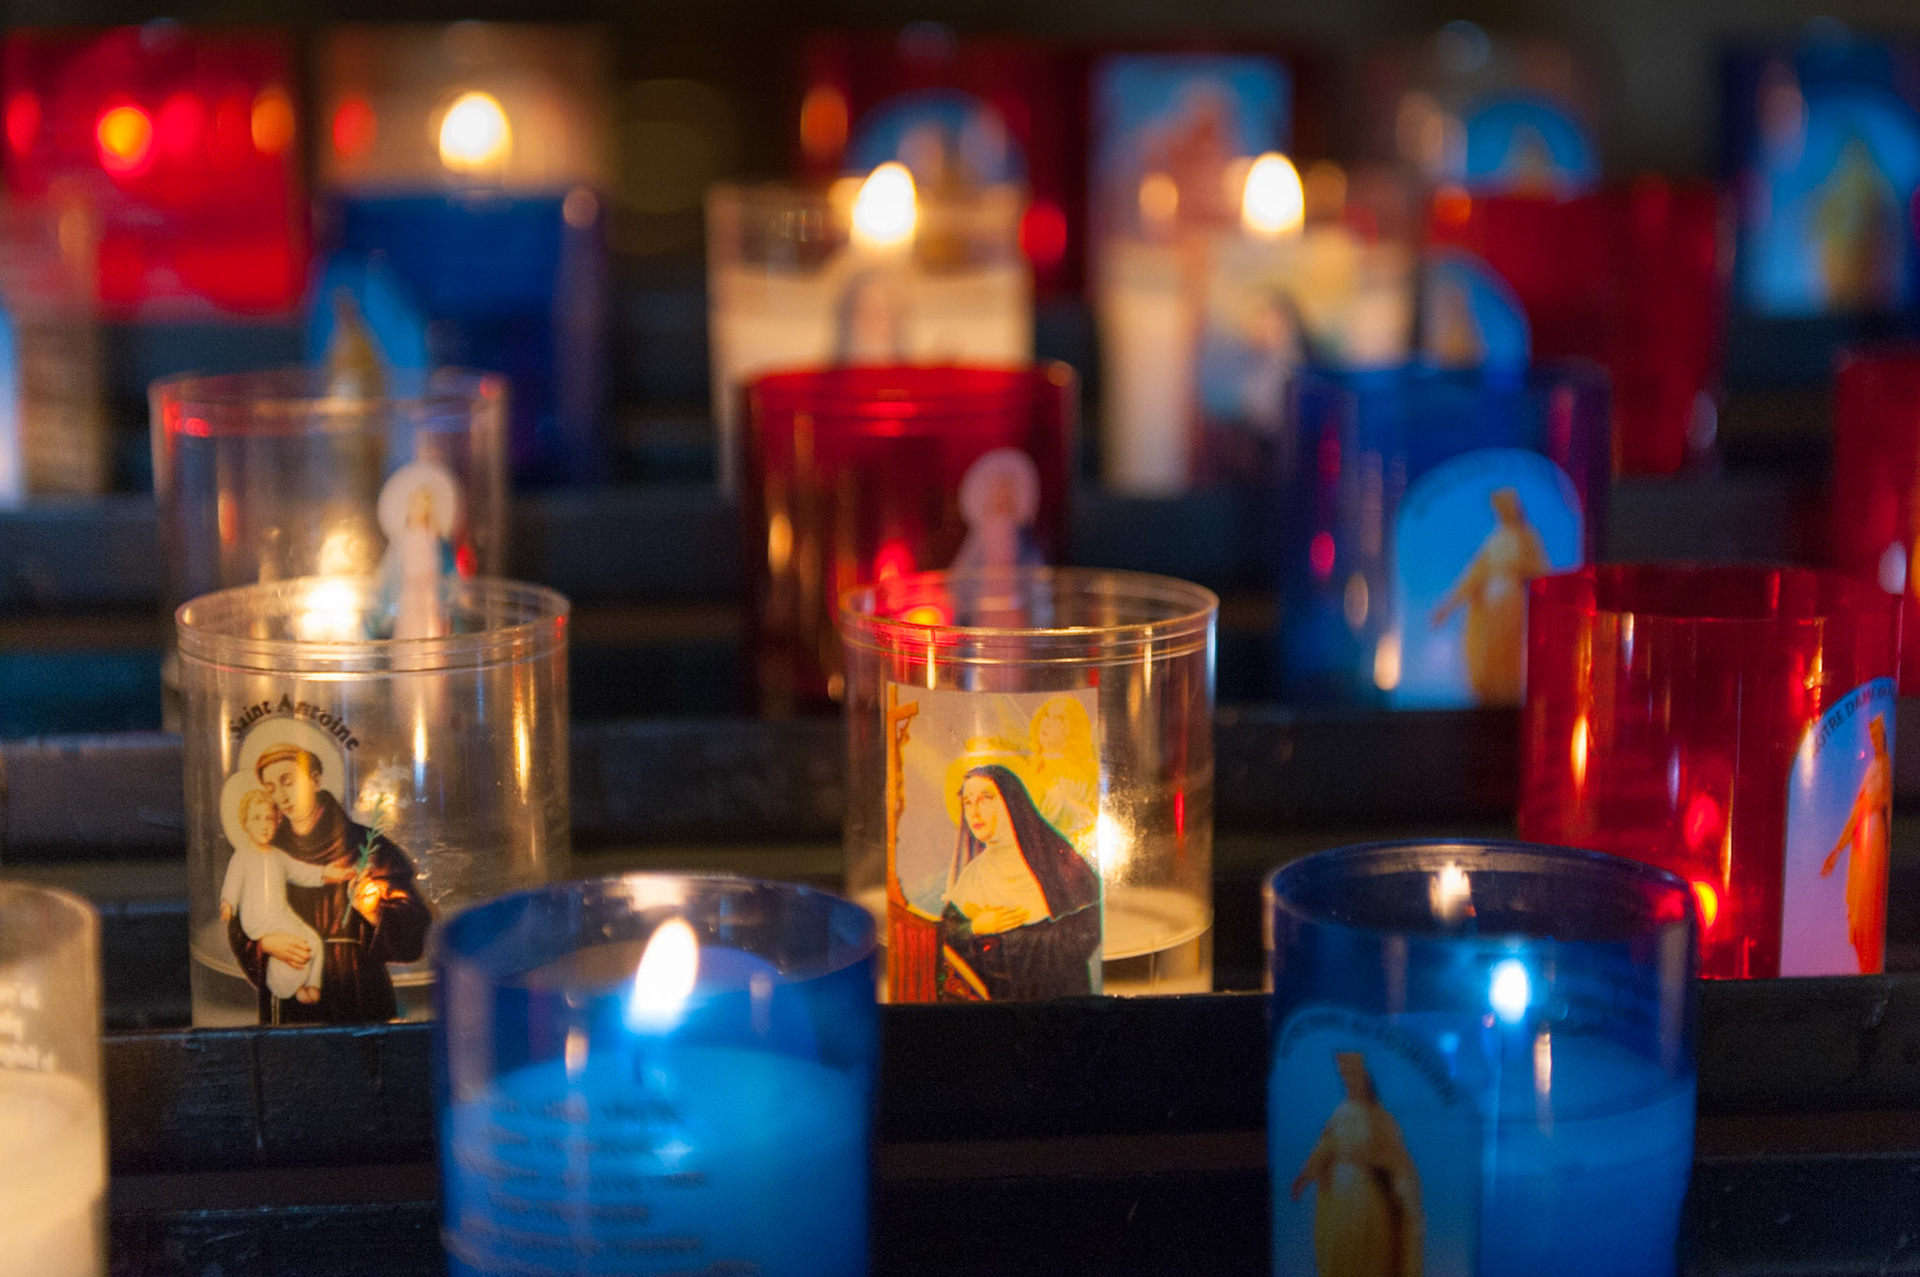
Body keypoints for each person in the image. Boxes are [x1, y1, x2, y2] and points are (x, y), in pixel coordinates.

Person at [225, 743, 431, 1025]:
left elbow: (415, 931)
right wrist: (263, 944)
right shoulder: (265, 854)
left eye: (289, 782)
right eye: (272, 788)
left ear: (315, 780)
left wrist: (373, 911)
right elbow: (236, 922)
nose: (282, 797)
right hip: (288, 992)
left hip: (359, 993)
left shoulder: (367, 848)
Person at [938, 764, 1101, 1001]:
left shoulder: (1058, 863)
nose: (974, 813)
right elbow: (945, 937)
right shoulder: (972, 875)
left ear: (1009, 803)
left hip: (1053, 1000)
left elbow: (1087, 932)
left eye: (985, 799)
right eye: (968, 802)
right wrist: (976, 928)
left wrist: (1005, 944)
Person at [1289, 1052, 1424, 1277]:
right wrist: (1305, 1177)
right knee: (1341, 1255)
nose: (1349, 1080)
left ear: (1365, 1078)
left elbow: (1397, 1161)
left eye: (1353, 1075)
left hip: (1368, 1199)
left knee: (1369, 1256)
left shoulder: (1381, 1118)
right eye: (1345, 1075)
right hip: (1340, 1202)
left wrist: (1366, 1156)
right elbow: (1324, 1149)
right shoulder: (1340, 1113)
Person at [219, 787, 355, 1004]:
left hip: (281, 915)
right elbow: (232, 883)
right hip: (259, 920)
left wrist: (328, 874)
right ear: (245, 823)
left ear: (277, 822)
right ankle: (287, 987)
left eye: (269, 818)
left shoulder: (278, 856)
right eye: (257, 818)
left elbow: (302, 872)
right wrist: (228, 904)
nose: (264, 824)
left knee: (314, 942)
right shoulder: (242, 856)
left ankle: (312, 984)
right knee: (294, 946)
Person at [1430, 486, 1551, 705]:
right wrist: (1447, 606)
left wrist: (1519, 568)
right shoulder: (1494, 540)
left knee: (1509, 654)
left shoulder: (1527, 537)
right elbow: (1473, 576)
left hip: (1512, 602)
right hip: (1490, 605)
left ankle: (1508, 698)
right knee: (1488, 653)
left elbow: (1541, 570)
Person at [1823, 712, 1892, 973]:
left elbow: (1873, 803)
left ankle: (1868, 969)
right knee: (1860, 907)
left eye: (1878, 735)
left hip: (1874, 837)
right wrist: (1837, 851)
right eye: (1871, 736)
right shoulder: (1873, 767)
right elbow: (1856, 811)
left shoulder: (1885, 766)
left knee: (1871, 905)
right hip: (1862, 840)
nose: (1875, 740)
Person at [1027, 694, 1099, 854]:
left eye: (1058, 719)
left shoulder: (1087, 772)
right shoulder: (1028, 765)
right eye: (1046, 715)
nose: (1047, 723)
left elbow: (1091, 819)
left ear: (1072, 729)